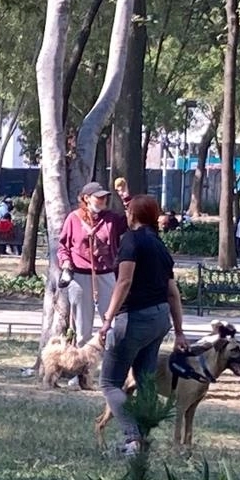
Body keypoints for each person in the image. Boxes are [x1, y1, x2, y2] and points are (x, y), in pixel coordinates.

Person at [98, 195, 190, 454]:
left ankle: (132, 438)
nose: (125, 213)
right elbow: (173, 292)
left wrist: (107, 320)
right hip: (159, 319)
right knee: (145, 379)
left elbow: (124, 282)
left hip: (134, 318)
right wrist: (180, 332)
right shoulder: (160, 246)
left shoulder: (132, 240)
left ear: (134, 215)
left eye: (128, 210)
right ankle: (144, 435)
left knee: (110, 383)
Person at [57, 182, 127, 348]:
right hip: (80, 277)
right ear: (86, 198)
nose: (103, 200)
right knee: (82, 328)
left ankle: (112, 366)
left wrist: (125, 197)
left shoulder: (111, 219)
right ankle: (80, 369)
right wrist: (66, 263)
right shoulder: (73, 218)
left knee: (111, 323)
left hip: (106, 274)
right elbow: (63, 247)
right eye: (99, 197)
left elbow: (132, 220)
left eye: (105, 197)